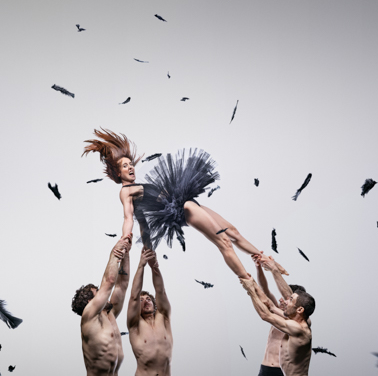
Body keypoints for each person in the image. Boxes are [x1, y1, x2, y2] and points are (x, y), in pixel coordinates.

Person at [83, 128, 282, 279]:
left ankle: (267, 260)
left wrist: (149, 249)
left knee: (232, 231)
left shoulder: (138, 191)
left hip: (185, 200)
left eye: (131, 164)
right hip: (182, 208)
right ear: (118, 173)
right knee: (224, 242)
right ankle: (249, 283)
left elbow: (143, 224)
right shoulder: (125, 192)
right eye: (125, 166)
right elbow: (128, 217)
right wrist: (126, 237)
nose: (131, 167)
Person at [241, 254, 315, 376]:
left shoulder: (300, 323)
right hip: (265, 368)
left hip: (281, 370)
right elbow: (264, 290)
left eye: (290, 300)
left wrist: (274, 270)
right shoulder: (277, 310)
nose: (284, 300)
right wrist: (258, 268)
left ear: (299, 308)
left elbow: (266, 314)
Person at [71, 235, 132, 376]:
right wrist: (114, 253)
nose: (102, 294)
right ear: (89, 303)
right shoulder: (89, 316)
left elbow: (122, 285)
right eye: (97, 293)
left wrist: (126, 253)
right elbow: (110, 281)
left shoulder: (109, 315)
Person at [127, 247, 173, 376]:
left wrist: (154, 267)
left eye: (148, 299)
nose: (146, 301)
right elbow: (133, 296)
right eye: (142, 300)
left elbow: (160, 291)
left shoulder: (164, 318)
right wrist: (141, 265)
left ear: (154, 303)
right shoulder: (135, 324)